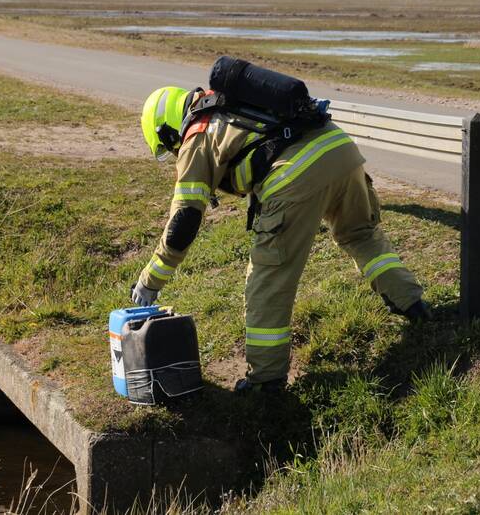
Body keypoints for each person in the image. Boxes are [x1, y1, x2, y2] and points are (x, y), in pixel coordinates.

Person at [133, 83, 431, 393]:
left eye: (169, 149)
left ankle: (266, 381)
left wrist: (150, 281)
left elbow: (183, 224)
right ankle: (414, 306)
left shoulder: (196, 133)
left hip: (295, 174)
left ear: (167, 131)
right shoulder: (232, 106)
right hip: (341, 151)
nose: (174, 153)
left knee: (267, 280)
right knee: (360, 235)